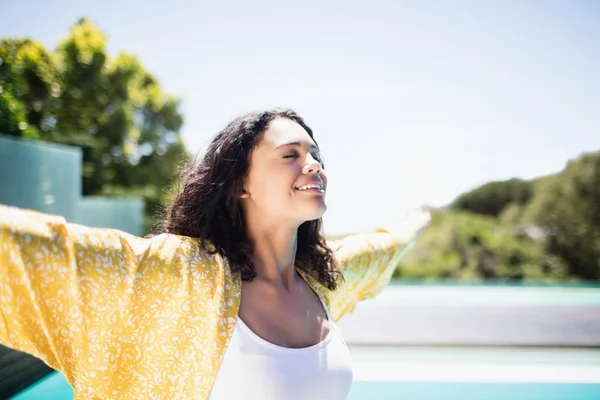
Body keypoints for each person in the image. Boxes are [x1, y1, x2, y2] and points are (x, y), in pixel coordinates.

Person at [0, 108, 430, 400]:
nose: (314, 164)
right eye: (290, 155)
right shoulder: (187, 277)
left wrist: (414, 223)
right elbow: (59, 256)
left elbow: (379, 248)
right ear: (240, 184)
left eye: (315, 154)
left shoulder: (325, 278)